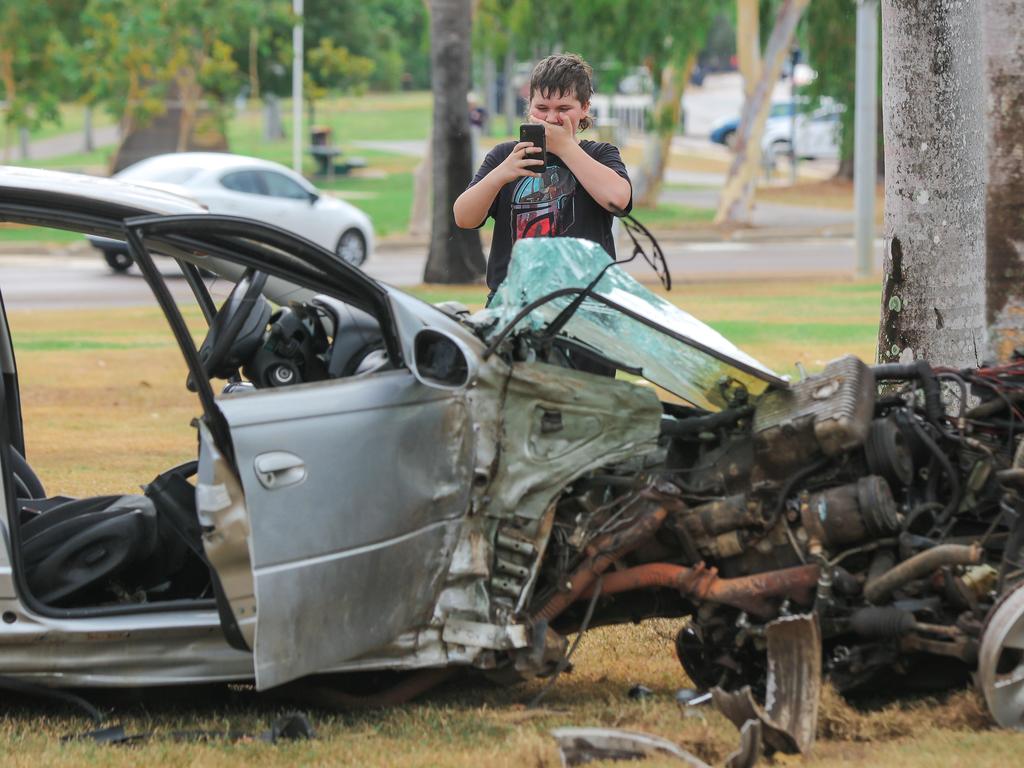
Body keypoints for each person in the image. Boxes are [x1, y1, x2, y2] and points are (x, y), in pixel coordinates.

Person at [453, 53, 633, 303]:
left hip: (586, 302)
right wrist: (500, 175)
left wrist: (566, 148)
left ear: (584, 108)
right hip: (514, 301)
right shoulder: (505, 155)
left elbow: (619, 199)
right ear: (529, 106)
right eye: (542, 108)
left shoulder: (600, 154)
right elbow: (464, 217)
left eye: (563, 109)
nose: (550, 118)